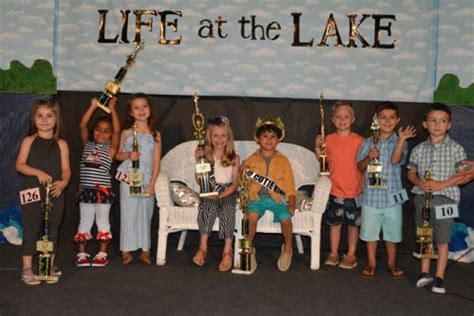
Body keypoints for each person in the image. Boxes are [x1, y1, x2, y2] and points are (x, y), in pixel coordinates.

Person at [407, 103, 467, 294]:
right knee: (425, 237)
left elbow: (462, 175)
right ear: (425, 124)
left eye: (442, 121)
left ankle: (439, 277)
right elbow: (410, 172)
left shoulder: (456, 149)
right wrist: (419, 181)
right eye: (433, 121)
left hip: (446, 200)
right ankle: (424, 273)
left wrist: (441, 185)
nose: (437, 125)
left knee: (442, 239)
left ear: (448, 125)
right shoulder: (418, 149)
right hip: (422, 199)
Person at [357, 102, 416, 278]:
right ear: (376, 119)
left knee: (392, 234)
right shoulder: (368, 142)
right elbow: (359, 166)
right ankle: (371, 263)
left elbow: (396, 160)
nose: (388, 121)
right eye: (383, 117)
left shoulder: (400, 142)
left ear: (397, 120)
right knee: (370, 234)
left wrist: (401, 141)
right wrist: (369, 157)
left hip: (392, 198)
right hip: (371, 199)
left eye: (392, 118)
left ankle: (391, 263)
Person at [16, 99, 71, 285]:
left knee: (52, 229)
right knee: (31, 228)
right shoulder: (29, 141)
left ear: (56, 119)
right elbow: (20, 165)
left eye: (49, 116)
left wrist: (64, 182)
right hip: (32, 190)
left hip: (54, 192)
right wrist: (37, 172)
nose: (44, 120)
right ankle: (27, 267)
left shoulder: (62, 144)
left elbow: (66, 170)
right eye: (40, 116)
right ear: (34, 118)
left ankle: (49, 266)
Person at [242, 117, 296, 272]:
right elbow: (243, 184)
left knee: (286, 219)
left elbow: (290, 185)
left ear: (279, 139)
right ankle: (249, 249)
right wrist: (242, 174)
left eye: (273, 136)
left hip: (277, 199)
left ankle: (287, 248)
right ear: (258, 139)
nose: (269, 140)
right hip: (256, 198)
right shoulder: (250, 160)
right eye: (265, 136)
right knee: (251, 218)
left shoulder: (283, 161)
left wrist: (291, 202)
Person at [315, 101, 364, 269]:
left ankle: (351, 255)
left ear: (353, 119)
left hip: (354, 191)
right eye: (338, 117)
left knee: (352, 226)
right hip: (335, 190)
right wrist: (317, 146)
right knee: (334, 224)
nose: (342, 120)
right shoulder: (328, 139)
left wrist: (363, 185)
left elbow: (364, 166)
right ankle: (334, 253)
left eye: (346, 117)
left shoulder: (359, 141)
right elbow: (323, 161)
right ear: (332, 120)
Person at [115, 93, 161, 266]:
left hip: (147, 177)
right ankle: (126, 249)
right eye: (136, 107)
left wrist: (153, 183)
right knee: (128, 211)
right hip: (129, 176)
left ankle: (145, 249)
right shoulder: (126, 133)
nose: (141, 110)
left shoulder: (155, 134)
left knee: (145, 212)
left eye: (144, 106)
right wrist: (128, 154)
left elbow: (156, 160)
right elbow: (117, 155)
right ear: (131, 112)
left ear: (150, 109)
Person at [74, 98, 120, 267]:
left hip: (103, 192)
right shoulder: (87, 145)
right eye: (98, 130)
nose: (101, 133)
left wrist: (113, 110)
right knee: (84, 222)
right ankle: (81, 253)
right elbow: (82, 125)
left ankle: (102, 253)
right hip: (86, 190)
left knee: (102, 222)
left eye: (106, 131)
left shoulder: (110, 149)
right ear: (93, 131)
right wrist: (93, 105)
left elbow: (117, 131)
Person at [192, 116, 240, 272]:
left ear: (229, 138)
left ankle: (227, 250)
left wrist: (221, 195)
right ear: (209, 137)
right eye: (215, 136)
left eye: (223, 136)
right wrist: (198, 160)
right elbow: (200, 180)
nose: (219, 139)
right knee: (207, 207)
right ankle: (203, 246)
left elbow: (234, 184)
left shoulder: (234, 158)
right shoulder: (205, 156)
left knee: (228, 209)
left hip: (227, 192)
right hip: (209, 190)